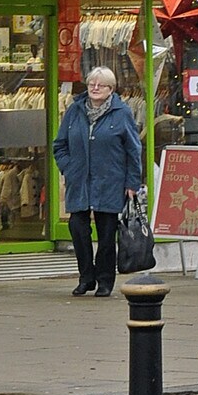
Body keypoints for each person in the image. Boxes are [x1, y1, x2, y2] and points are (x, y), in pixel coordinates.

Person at [53, 64, 144, 298]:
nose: (94, 88)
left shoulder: (121, 113)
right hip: (80, 182)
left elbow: (133, 150)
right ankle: (86, 278)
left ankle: (105, 281)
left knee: (106, 235)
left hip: (110, 182)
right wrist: (69, 168)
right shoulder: (75, 111)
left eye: (100, 85)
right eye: (91, 83)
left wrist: (132, 183)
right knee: (78, 229)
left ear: (111, 89)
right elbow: (59, 145)